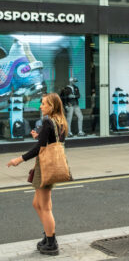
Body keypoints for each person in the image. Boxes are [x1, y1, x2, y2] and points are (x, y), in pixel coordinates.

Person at [6, 93, 68, 256]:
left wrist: (18, 159)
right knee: (37, 204)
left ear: (51, 106)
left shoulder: (48, 121)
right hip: (51, 165)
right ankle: (48, 235)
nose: (40, 106)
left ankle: (51, 242)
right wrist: (39, 136)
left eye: (43, 104)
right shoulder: (60, 121)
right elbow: (51, 141)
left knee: (45, 207)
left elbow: (38, 149)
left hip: (45, 167)